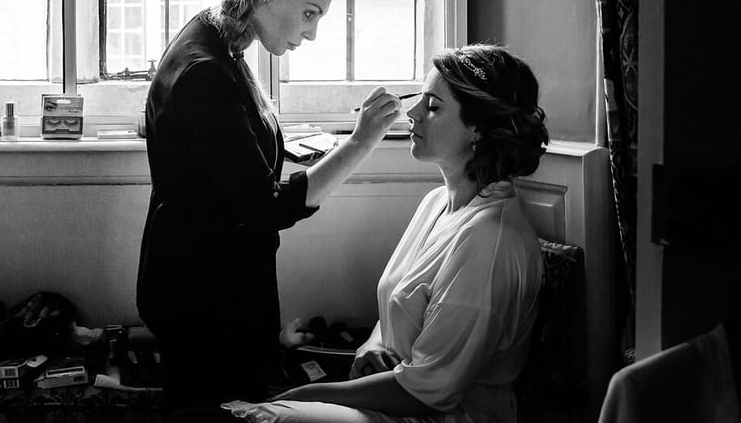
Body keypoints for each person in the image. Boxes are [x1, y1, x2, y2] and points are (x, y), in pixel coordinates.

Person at [136, 0, 405, 412]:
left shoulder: (214, 36)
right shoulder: (207, 72)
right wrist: (361, 142)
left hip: (200, 278)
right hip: (204, 295)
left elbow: (224, 158)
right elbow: (265, 208)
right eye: (309, 13)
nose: (311, 32)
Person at [215, 44, 549, 423]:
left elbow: (429, 392)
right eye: (419, 100)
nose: (412, 113)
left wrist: (313, 392)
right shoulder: (437, 203)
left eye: (433, 106)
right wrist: (372, 346)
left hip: (441, 414)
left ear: (479, 129)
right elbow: (399, 305)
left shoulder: (489, 242)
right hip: (394, 392)